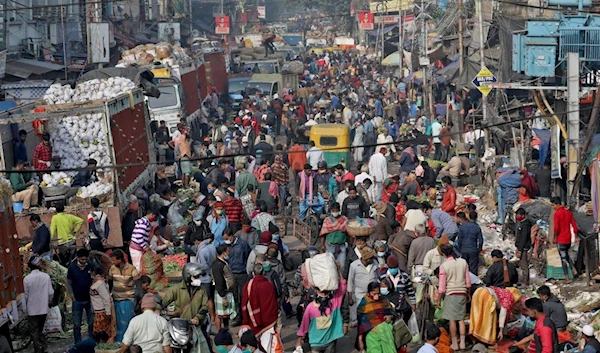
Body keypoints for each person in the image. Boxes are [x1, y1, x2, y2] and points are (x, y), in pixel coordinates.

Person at [162, 262, 211, 353]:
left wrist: (198, 317)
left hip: (195, 326)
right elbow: (163, 302)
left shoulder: (201, 290)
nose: (198, 280)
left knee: (206, 345)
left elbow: (205, 307)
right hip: (179, 326)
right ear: (188, 276)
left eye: (198, 277)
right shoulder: (176, 289)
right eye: (195, 277)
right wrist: (160, 311)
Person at [296, 277, 349, 353]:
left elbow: (342, 285)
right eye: (322, 292)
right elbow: (304, 325)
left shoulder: (334, 303)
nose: (323, 294)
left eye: (325, 292)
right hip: (316, 344)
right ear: (315, 292)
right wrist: (299, 340)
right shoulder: (310, 308)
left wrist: (338, 269)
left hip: (329, 342)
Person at [438, 243, 471, 351]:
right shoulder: (463, 262)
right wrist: (468, 294)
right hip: (462, 293)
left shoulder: (444, 266)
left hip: (451, 294)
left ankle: (454, 343)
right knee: (461, 319)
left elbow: (442, 287)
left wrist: (438, 299)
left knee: (452, 320)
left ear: (443, 254)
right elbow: (468, 282)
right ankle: (462, 343)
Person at [24, 256, 54, 353]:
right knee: (40, 328)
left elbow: (26, 295)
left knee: (34, 330)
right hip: (43, 308)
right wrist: (49, 302)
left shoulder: (27, 279)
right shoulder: (46, 277)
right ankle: (43, 347)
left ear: (29, 267)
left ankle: (37, 348)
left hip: (32, 309)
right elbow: (51, 292)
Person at [109, 249, 139, 342]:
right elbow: (110, 282)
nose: (112, 262)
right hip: (116, 298)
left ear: (120, 260)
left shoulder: (132, 269)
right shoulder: (112, 268)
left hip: (128, 299)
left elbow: (137, 283)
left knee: (128, 322)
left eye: (114, 260)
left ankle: (129, 341)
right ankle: (120, 342)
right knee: (117, 322)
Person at [356, 282, 396, 353]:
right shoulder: (364, 304)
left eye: (378, 293)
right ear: (368, 292)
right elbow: (361, 323)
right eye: (374, 294)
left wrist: (390, 316)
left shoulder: (384, 300)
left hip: (386, 333)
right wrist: (360, 339)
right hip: (372, 335)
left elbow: (393, 313)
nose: (377, 296)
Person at [223, 228, 251, 326]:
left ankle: (246, 317)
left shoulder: (242, 244)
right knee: (235, 297)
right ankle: (238, 317)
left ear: (231, 236)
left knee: (244, 296)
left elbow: (248, 256)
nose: (226, 240)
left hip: (242, 273)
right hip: (232, 274)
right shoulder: (227, 246)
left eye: (227, 238)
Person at [242, 264, 279, 335]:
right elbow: (273, 303)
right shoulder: (269, 285)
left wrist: (246, 320)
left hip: (253, 321)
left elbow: (244, 304)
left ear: (253, 273)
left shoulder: (248, 286)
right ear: (263, 273)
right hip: (269, 320)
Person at [67, 248, 94, 344]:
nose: (84, 262)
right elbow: (69, 283)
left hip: (89, 300)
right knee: (77, 324)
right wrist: (72, 295)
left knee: (91, 323)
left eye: (85, 260)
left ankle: (91, 342)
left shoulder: (90, 267)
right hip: (77, 300)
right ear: (78, 258)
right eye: (82, 260)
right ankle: (78, 344)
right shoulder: (72, 268)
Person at [348, 247, 379, 325]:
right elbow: (350, 281)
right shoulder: (354, 265)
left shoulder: (375, 263)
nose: (373, 259)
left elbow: (378, 277)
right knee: (361, 316)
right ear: (366, 259)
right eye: (371, 258)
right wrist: (350, 296)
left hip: (372, 294)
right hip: (359, 295)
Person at [380, 255, 416, 323]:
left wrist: (413, 303)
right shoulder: (383, 276)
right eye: (391, 268)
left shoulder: (404, 276)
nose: (393, 269)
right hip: (387, 306)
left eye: (394, 267)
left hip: (401, 306)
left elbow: (410, 290)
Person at [552, 197, 579, 282]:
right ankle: (573, 269)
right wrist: (576, 237)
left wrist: (554, 237)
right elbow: (575, 226)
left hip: (561, 239)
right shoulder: (568, 213)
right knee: (566, 255)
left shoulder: (557, 214)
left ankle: (567, 278)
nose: (553, 207)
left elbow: (556, 228)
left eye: (553, 205)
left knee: (563, 259)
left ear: (557, 204)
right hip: (568, 238)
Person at [212, 244, 237, 330]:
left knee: (226, 314)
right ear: (223, 253)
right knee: (219, 314)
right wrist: (223, 296)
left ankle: (226, 330)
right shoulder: (218, 265)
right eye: (228, 251)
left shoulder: (222, 263)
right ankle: (219, 332)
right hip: (222, 292)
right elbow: (219, 281)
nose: (229, 253)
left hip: (226, 291)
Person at [320, 202, 349, 274]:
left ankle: (341, 281)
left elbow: (348, 233)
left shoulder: (344, 220)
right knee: (330, 266)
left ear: (339, 210)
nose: (335, 212)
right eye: (333, 211)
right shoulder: (327, 220)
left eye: (336, 210)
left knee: (342, 265)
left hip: (341, 246)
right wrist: (322, 245)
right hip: (330, 246)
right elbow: (323, 233)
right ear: (331, 211)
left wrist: (349, 244)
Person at [90, 266, 113, 339]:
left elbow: (106, 298)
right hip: (98, 312)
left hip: (102, 312)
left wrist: (108, 312)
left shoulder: (100, 284)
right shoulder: (97, 283)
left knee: (101, 332)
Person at [515, 207, 534, 285]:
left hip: (524, 248)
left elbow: (523, 237)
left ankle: (525, 282)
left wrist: (519, 249)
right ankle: (523, 281)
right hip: (522, 247)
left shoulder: (525, 225)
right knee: (522, 265)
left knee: (524, 265)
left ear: (523, 215)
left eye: (518, 215)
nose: (517, 216)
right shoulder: (522, 223)